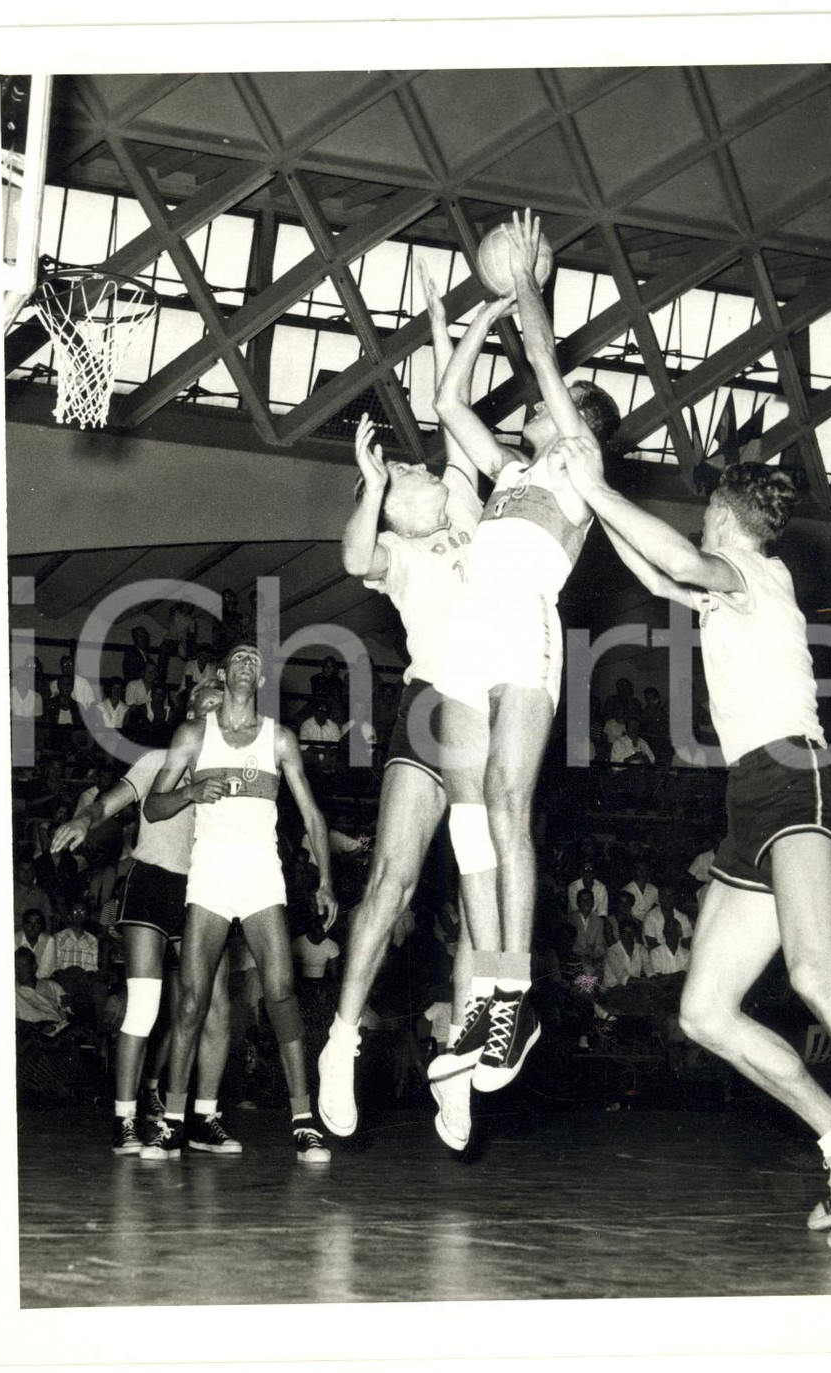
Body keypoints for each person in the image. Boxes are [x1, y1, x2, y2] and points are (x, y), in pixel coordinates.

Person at [558, 435, 831, 1250]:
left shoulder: (753, 572)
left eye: (707, 507)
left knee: (818, 972)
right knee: (704, 1010)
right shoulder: (735, 590)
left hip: (796, 778)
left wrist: (598, 490)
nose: (698, 516)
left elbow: (677, 553)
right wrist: (587, 501)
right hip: (751, 797)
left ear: (728, 515)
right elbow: (658, 569)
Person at [316, 266, 514, 1153]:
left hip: (496, 708)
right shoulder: (394, 549)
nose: (409, 467)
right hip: (436, 710)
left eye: (402, 466)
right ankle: (340, 1039)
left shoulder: (466, 492)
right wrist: (366, 482)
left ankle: (462, 1062)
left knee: (483, 906)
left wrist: (450, 314)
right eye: (398, 475)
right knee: (393, 881)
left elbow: (449, 399)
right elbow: (355, 553)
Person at [429, 209, 621, 1096]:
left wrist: (528, 298)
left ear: (580, 417)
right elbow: (445, 404)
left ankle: (515, 994)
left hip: (523, 625)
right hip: (470, 626)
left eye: (564, 396)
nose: (549, 400)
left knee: (507, 800)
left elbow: (544, 362)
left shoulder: (580, 461)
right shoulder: (509, 471)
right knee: (465, 811)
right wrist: (480, 313)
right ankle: (488, 989)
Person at [142, 642, 337, 1163]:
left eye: (256, 659)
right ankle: (173, 1121)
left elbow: (313, 816)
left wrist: (325, 880)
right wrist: (189, 793)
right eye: (239, 658)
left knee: (281, 991)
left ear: (261, 677)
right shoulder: (192, 736)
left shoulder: (279, 739)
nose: (248, 663)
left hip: (260, 877)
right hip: (209, 877)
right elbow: (153, 807)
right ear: (224, 674)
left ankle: (304, 1121)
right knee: (192, 1000)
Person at [52, 683, 235, 1156]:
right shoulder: (159, 760)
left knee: (211, 1008)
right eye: (207, 706)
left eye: (222, 708)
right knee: (145, 1007)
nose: (214, 715)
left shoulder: (232, 775)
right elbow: (108, 802)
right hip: (152, 883)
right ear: (190, 713)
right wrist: (83, 821)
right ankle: (125, 1121)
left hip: (202, 893)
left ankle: (203, 1118)